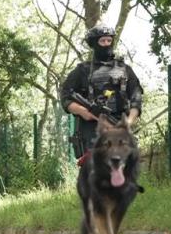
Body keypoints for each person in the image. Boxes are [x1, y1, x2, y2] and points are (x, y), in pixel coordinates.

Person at [60, 24, 143, 160]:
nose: (106, 44)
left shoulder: (124, 69)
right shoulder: (82, 71)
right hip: (91, 130)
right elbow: (65, 96)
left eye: (109, 41)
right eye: (102, 41)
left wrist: (128, 122)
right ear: (94, 44)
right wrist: (83, 111)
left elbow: (136, 97)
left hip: (118, 126)